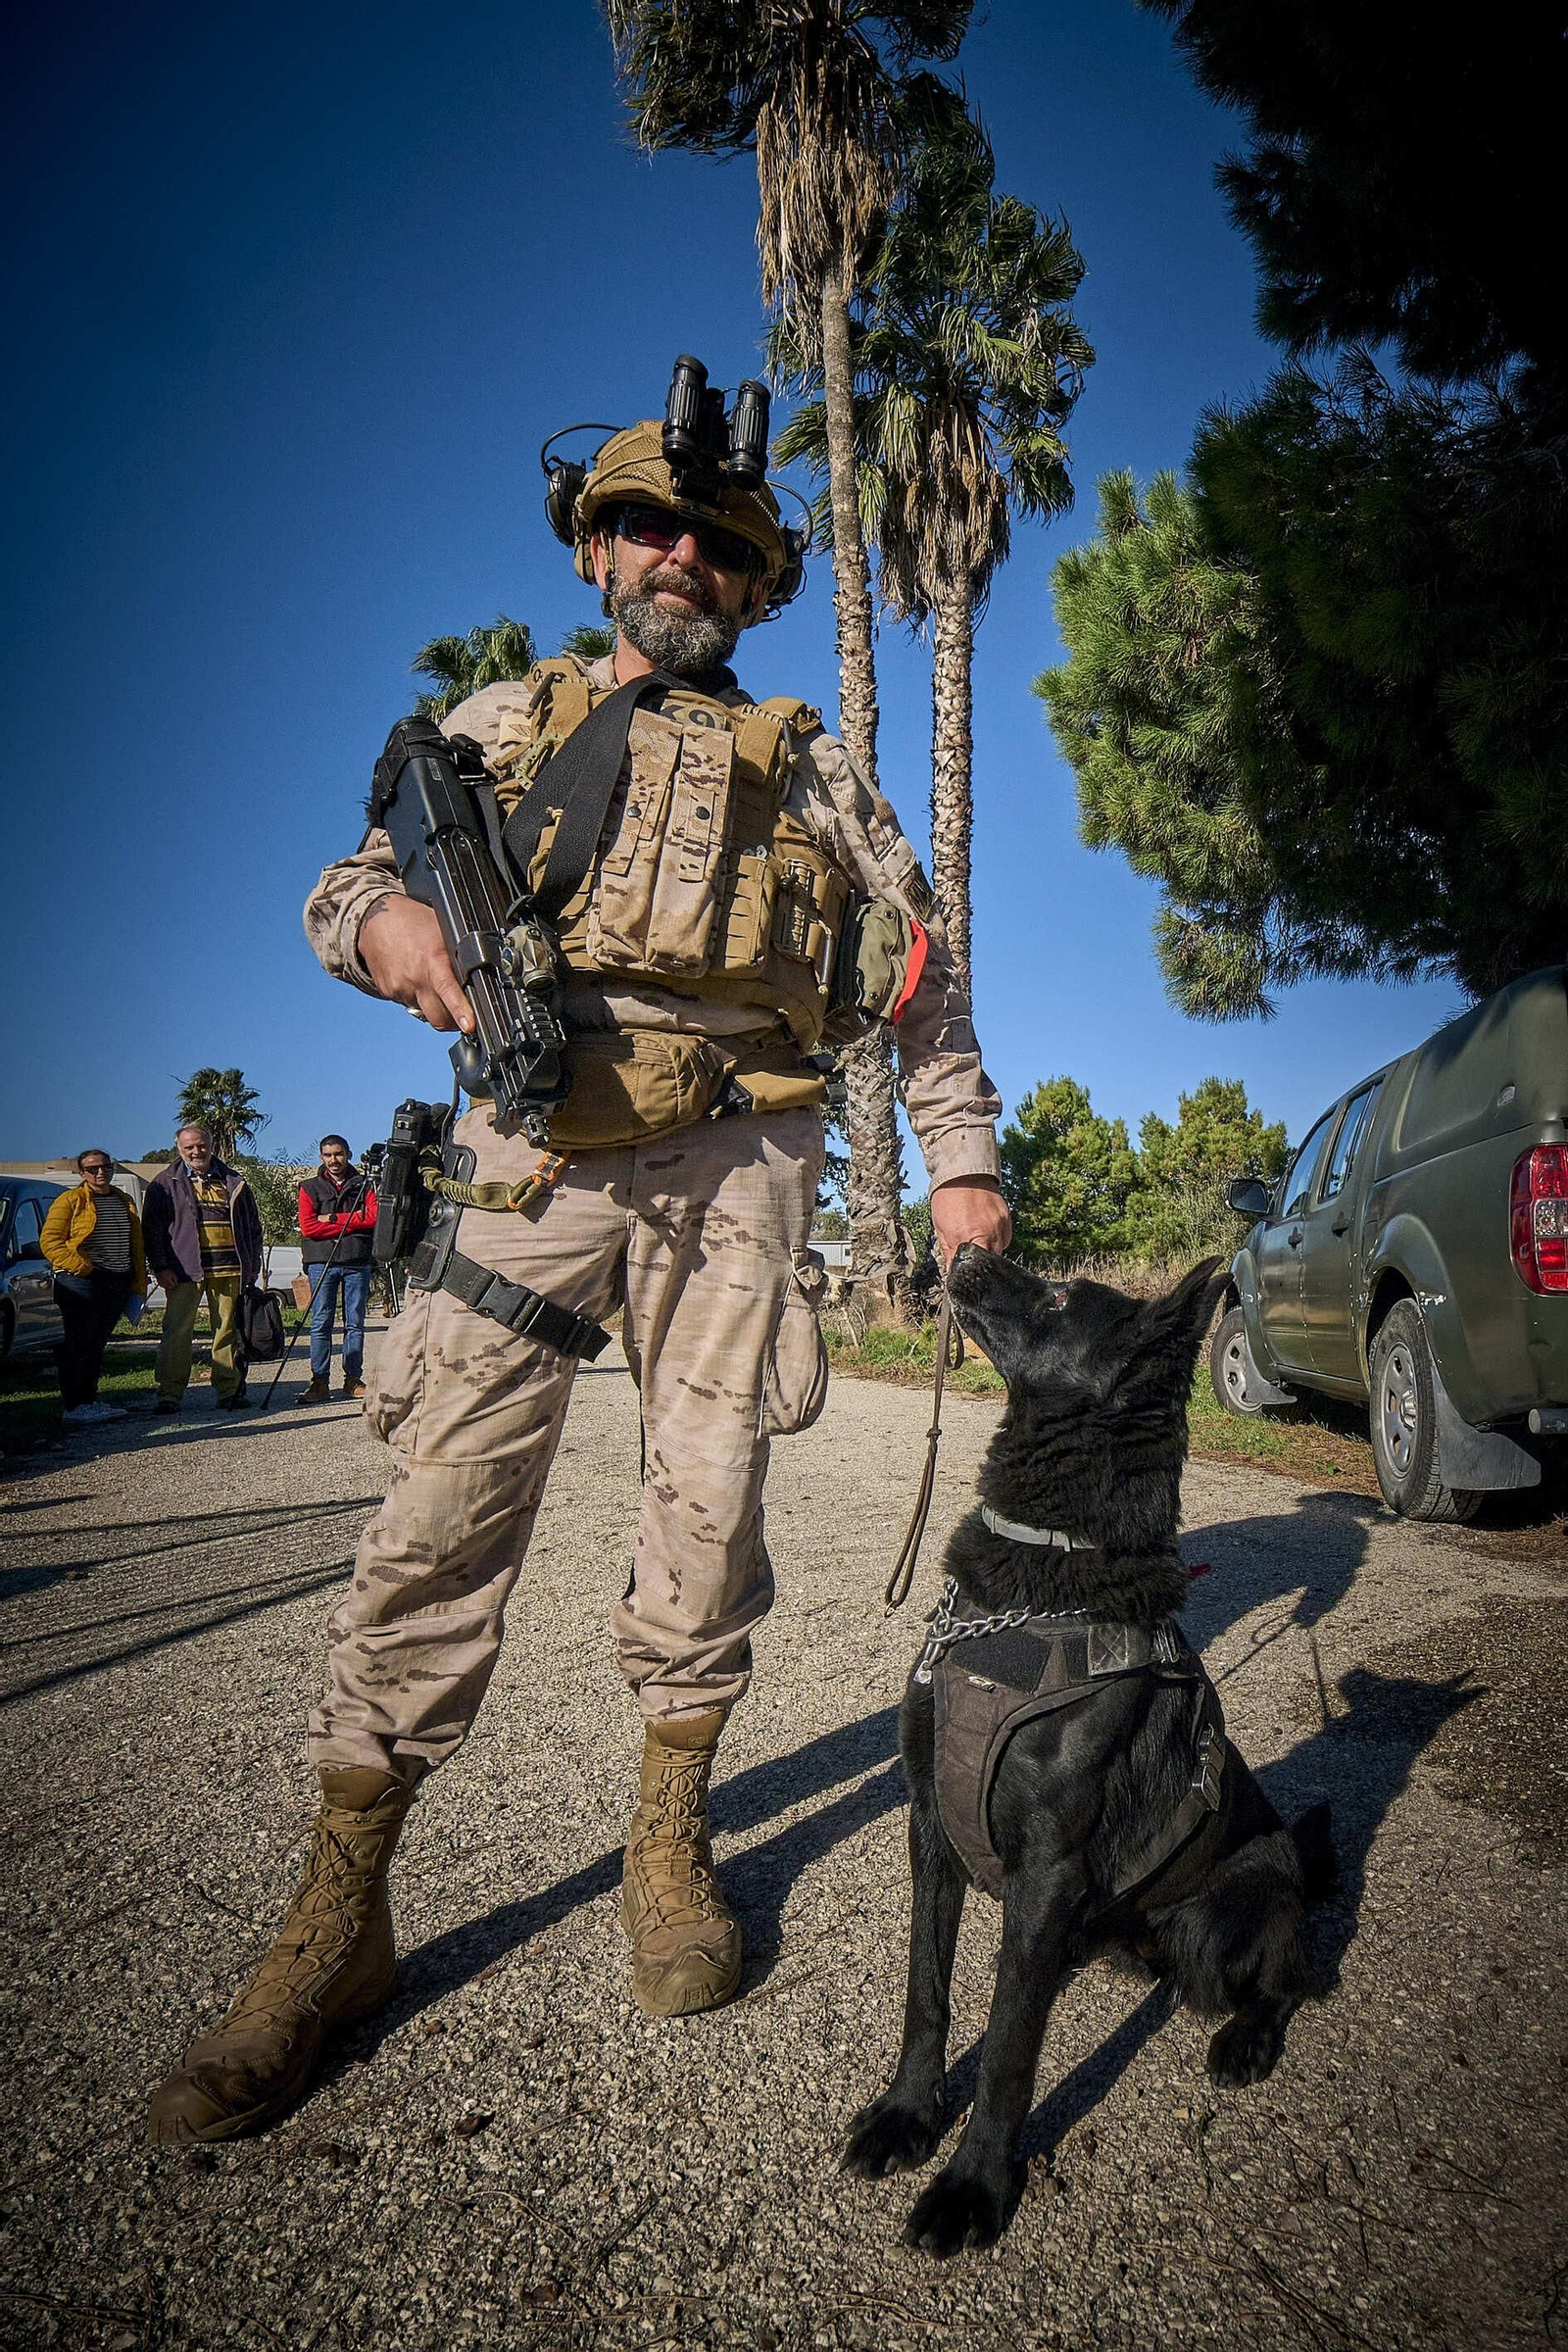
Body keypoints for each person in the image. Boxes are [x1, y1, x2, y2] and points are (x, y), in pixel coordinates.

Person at [148, 372, 1011, 2147]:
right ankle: (343, 1909)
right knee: (439, 1510)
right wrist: (380, 921)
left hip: (747, 1162)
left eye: (719, 542)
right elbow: (343, 882)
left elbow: (920, 971)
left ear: (762, 583)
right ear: (597, 550)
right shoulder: (507, 721)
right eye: (650, 529)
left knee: (708, 1512)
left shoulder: (813, 762)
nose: (681, 557)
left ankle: (669, 1834)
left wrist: (962, 1162)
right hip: (536, 1152)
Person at [142, 1124, 264, 1412]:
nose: (196, 1152)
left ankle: (229, 1391)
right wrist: (160, 1266)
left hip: (229, 1268)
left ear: (211, 1145)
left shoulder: (234, 1181)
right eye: (189, 1147)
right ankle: (169, 1394)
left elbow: (253, 1227)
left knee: (226, 1331)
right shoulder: (164, 1183)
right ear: (179, 1149)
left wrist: (252, 1263)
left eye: (201, 1145)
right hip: (183, 1270)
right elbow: (152, 1230)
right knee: (177, 1332)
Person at [39, 1151, 148, 1426]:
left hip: (117, 1279)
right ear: (82, 1173)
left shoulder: (124, 1200)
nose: (100, 1173)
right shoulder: (70, 1201)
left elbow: (134, 1243)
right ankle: (74, 1405)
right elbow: (50, 1242)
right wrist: (80, 1267)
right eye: (93, 1169)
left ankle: (90, 1401)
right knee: (79, 1343)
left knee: (97, 1343)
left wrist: (137, 1279)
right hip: (81, 1282)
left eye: (105, 1167)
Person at [297, 1135, 377, 1403]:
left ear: (348, 1154)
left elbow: (374, 1218)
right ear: (321, 1158)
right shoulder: (309, 1188)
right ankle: (319, 1381)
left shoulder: (366, 1185)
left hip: (356, 1260)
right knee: (321, 1322)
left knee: (354, 1323)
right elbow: (308, 1227)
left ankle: (352, 1379)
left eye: (339, 1154)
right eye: (328, 1155)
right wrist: (355, 1220)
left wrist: (331, 1219)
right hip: (321, 1262)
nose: (334, 1160)